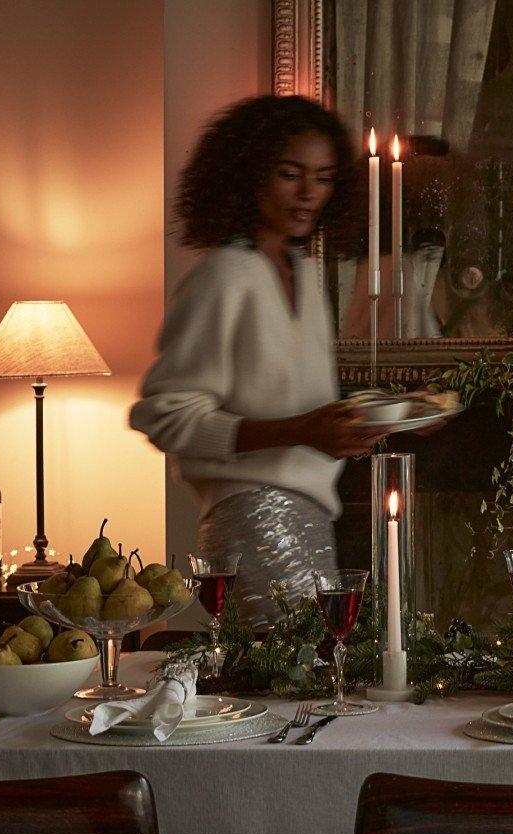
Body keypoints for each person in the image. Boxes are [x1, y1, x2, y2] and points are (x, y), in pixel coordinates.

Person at [132, 94, 389, 624]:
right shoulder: (224, 275)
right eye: (289, 173)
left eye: (322, 178)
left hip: (314, 517)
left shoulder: (304, 273)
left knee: (315, 688)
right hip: (252, 517)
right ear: (248, 174)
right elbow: (164, 415)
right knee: (291, 690)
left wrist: (389, 417)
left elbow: (304, 409)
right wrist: (301, 431)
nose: (308, 194)